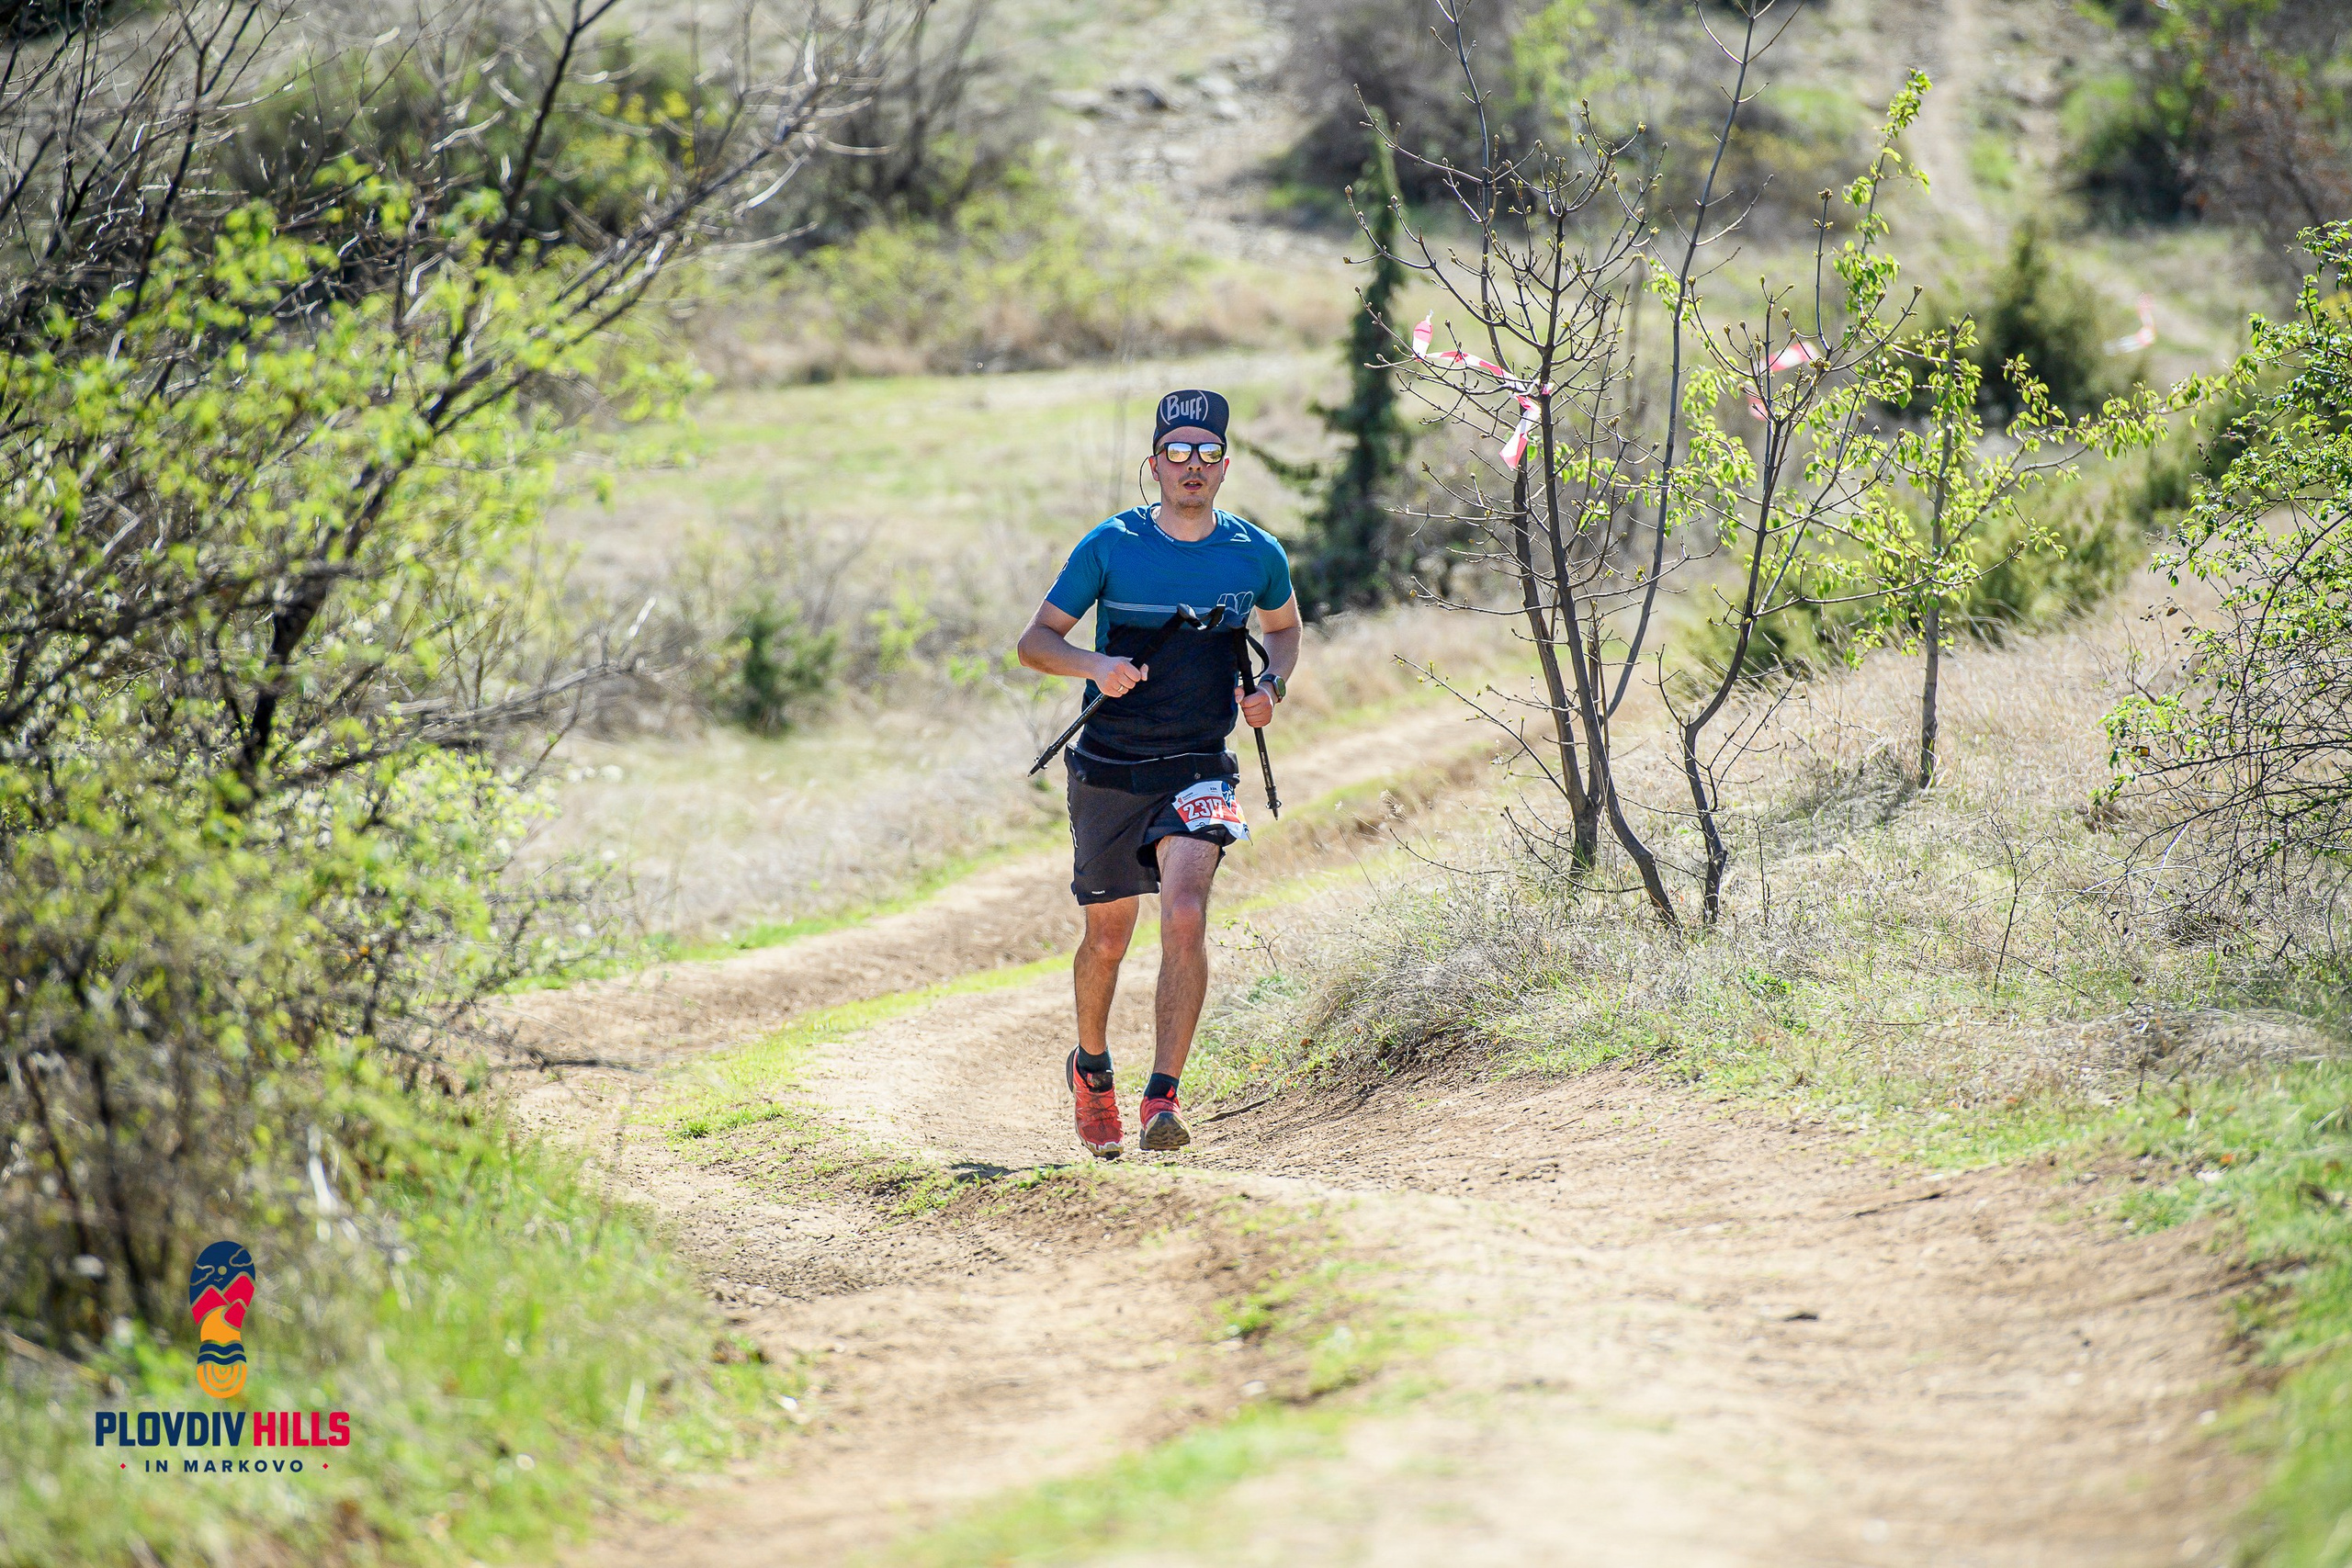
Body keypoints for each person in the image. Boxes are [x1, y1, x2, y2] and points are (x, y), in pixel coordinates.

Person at [1015, 389, 1301, 1156]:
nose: (1192, 467)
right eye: (1178, 453)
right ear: (1154, 465)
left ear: (1225, 466)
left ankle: (1162, 1098)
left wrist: (1269, 687)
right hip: (1110, 762)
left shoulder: (1255, 553)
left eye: (1207, 454)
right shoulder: (1110, 545)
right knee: (1108, 939)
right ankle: (1093, 1069)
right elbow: (1035, 642)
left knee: (1184, 914)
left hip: (1201, 764)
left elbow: (1284, 629)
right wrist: (1095, 663)